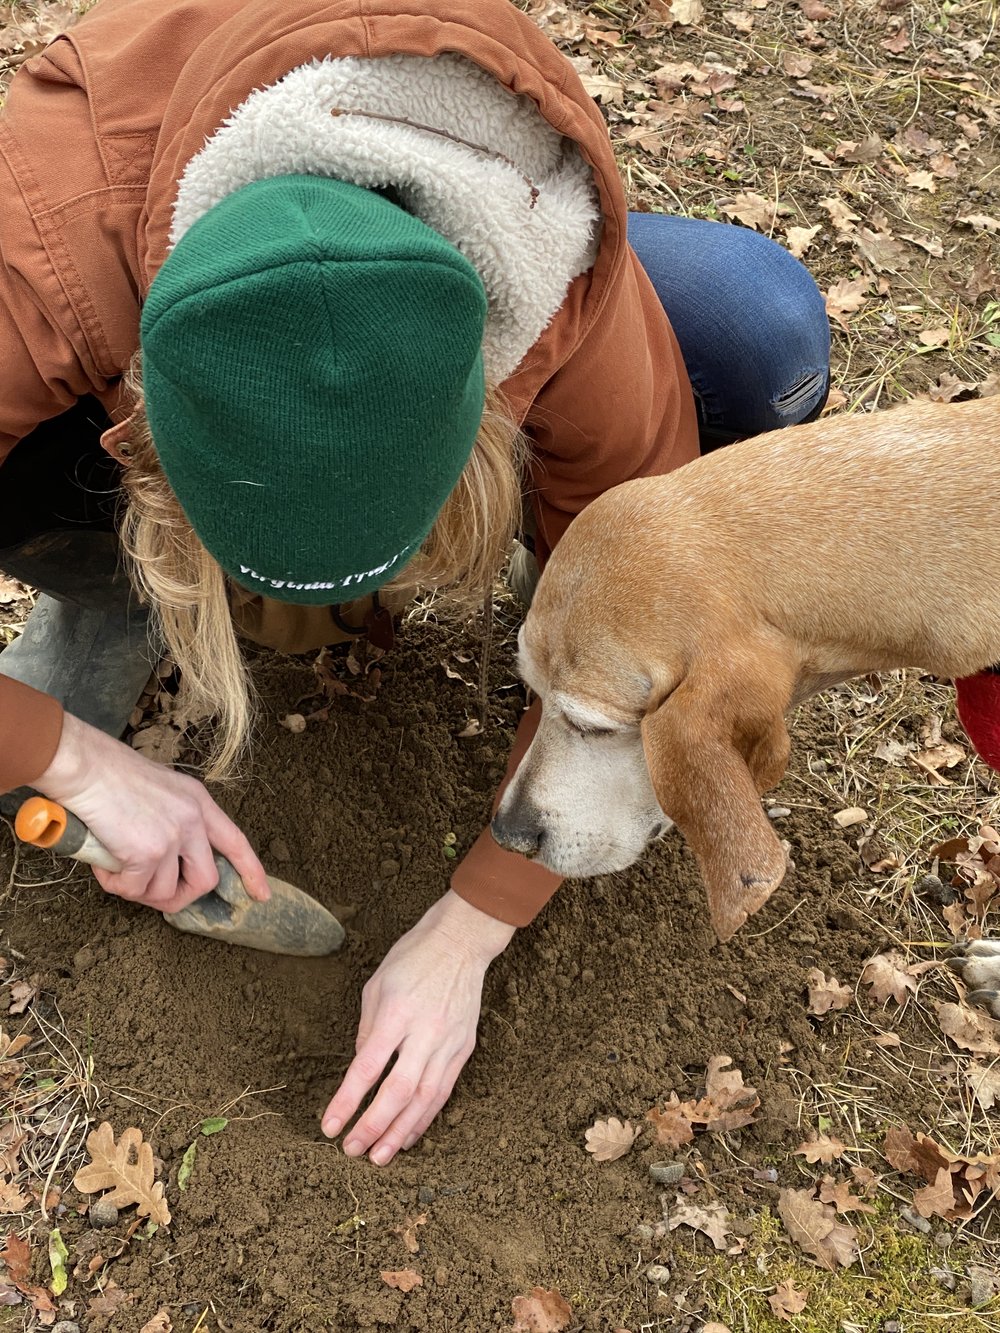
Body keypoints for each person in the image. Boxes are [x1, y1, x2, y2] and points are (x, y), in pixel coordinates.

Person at [0, 0, 830, 1165]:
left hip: (473, 180)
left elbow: (684, 620)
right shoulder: (33, 242)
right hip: (134, 194)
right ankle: (100, 596)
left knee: (758, 342)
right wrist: (61, 753)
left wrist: (477, 918)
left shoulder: (561, 301)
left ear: (487, 421)